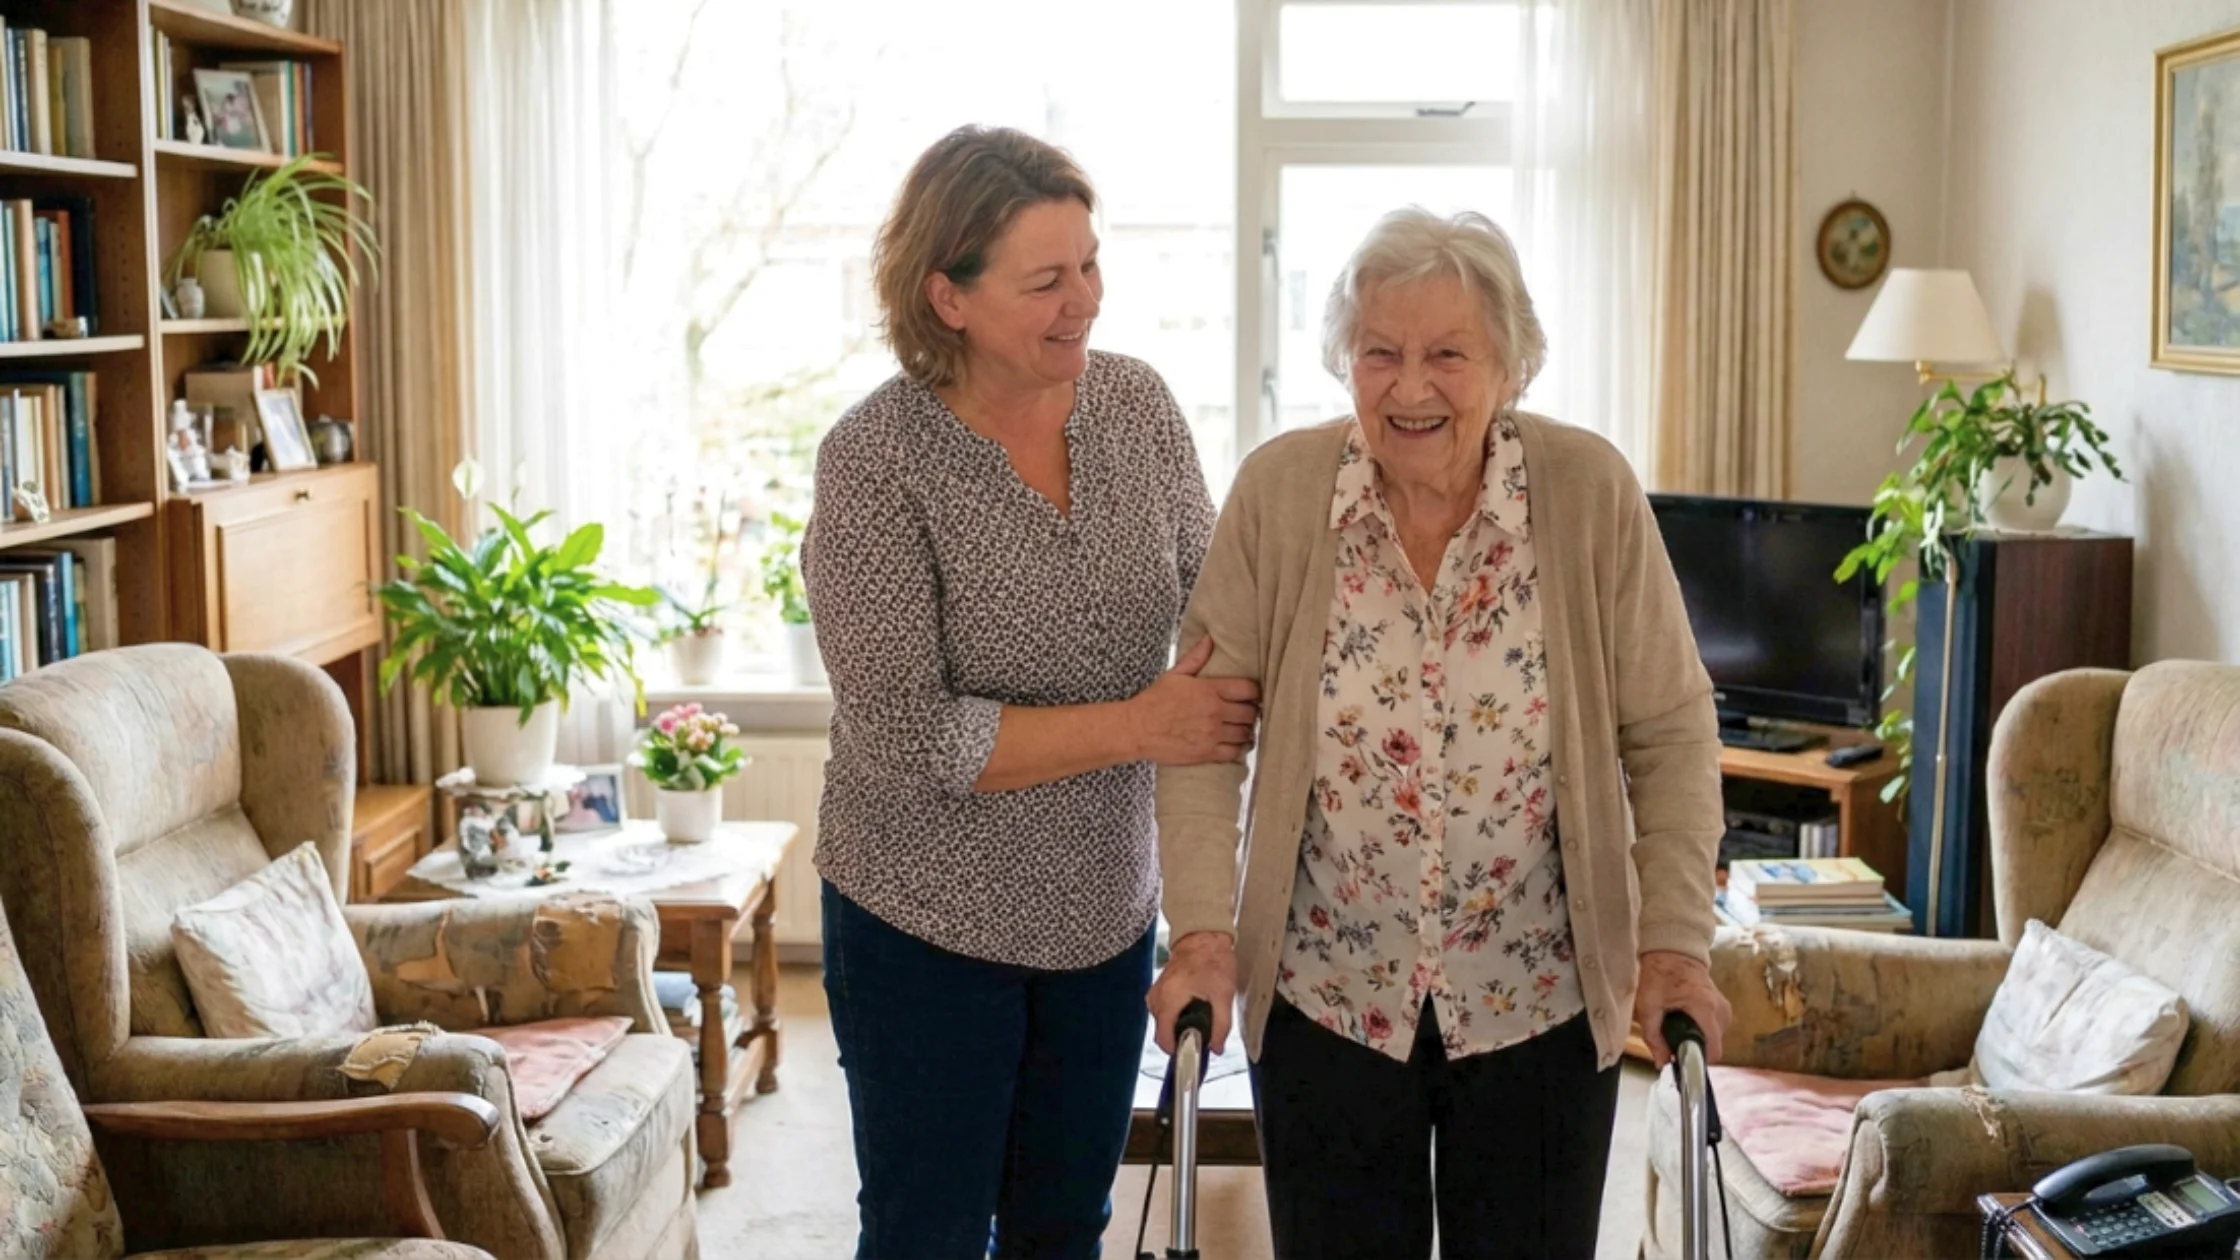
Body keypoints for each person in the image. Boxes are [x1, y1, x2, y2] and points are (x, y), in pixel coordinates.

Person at [1148, 207, 1733, 1259]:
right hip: (1326, 996)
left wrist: (1674, 947)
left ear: (1510, 366)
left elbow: (1670, 731)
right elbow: (1202, 737)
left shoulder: (1587, 492)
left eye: (1447, 355)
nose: (1409, 387)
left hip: (1541, 1001)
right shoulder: (1280, 494)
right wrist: (1200, 935)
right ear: (1345, 361)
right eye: (1380, 352)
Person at [803, 125, 1259, 1259]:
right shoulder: (874, 460)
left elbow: (1217, 614)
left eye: (1090, 265)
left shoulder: (1138, 407)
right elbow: (906, 735)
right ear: (946, 297)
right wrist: (1140, 724)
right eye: (1046, 279)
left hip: (1104, 916)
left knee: (1065, 1227)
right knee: (927, 1233)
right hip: (920, 922)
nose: (1084, 300)